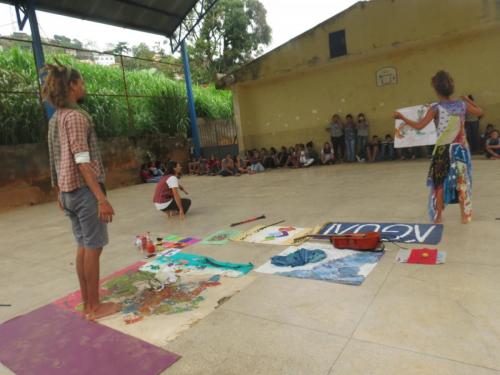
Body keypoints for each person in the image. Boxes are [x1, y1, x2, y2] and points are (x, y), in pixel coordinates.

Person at [44, 62, 120, 320]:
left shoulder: (56, 118)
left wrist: (59, 192)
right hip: (84, 192)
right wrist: (101, 198)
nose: (84, 86)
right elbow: (82, 160)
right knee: (94, 247)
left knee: (83, 245)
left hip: (68, 192)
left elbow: (56, 158)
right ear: (73, 86)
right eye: (82, 82)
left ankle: (88, 303)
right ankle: (95, 307)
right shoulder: (76, 117)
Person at [394, 70, 483, 224]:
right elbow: (481, 112)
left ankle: (439, 217)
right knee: (461, 181)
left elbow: (420, 126)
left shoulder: (435, 108)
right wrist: (469, 100)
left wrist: (401, 117)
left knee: (439, 183)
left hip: (442, 150)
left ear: (436, 89)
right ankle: (465, 216)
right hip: (460, 149)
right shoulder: (462, 105)